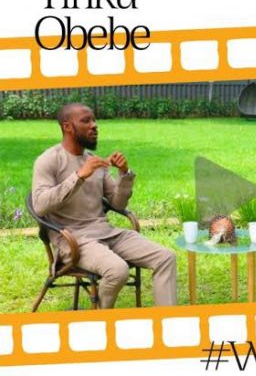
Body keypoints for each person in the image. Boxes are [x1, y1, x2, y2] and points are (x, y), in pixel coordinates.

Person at [32, 103, 176, 308]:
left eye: (94, 120)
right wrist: (79, 176)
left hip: (107, 233)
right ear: (67, 127)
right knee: (117, 270)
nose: (94, 125)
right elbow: (40, 205)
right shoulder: (48, 160)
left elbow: (118, 203)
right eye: (86, 121)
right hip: (74, 240)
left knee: (166, 257)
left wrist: (124, 174)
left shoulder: (94, 162)